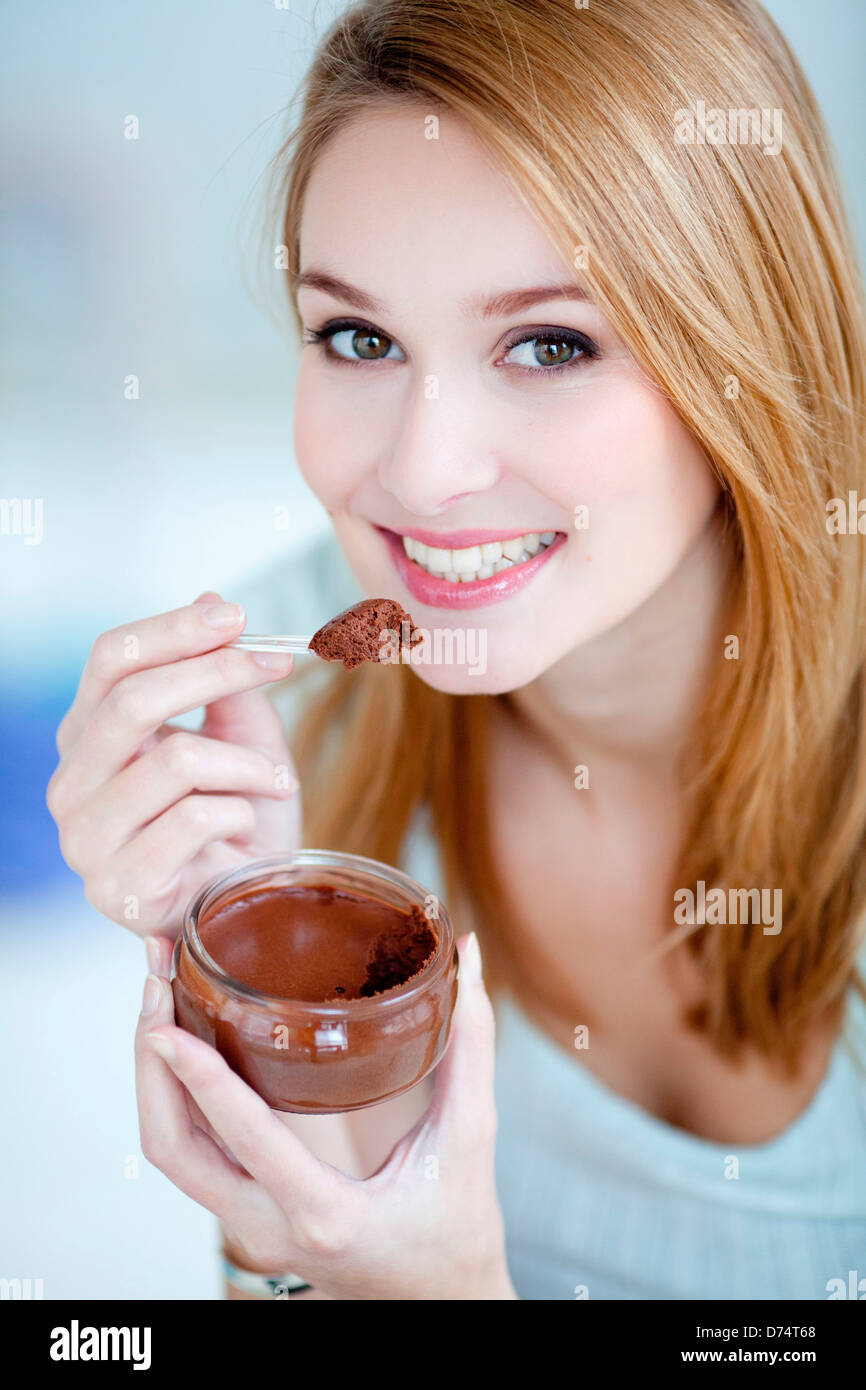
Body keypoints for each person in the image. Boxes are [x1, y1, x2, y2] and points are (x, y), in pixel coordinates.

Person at [48, 0, 866, 1300]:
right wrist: (289, 1088)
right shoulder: (277, 727)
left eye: (549, 343)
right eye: (358, 338)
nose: (423, 477)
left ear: (746, 354)